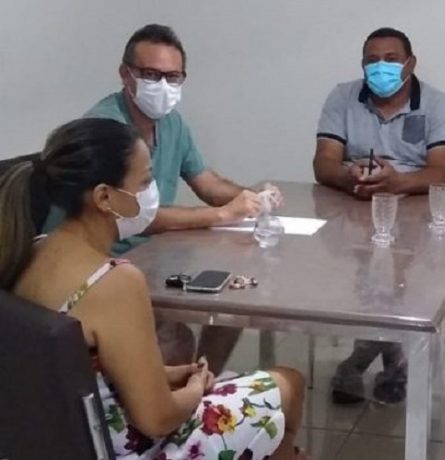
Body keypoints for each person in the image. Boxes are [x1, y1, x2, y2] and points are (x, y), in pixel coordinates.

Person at [0, 118, 307, 459]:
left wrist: (168, 374)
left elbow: (87, 369)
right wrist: (195, 388)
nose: (152, 193)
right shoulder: (113, 281)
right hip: (127, 447)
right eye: (145, 181)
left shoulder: (32, 251)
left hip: (65, 438)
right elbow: (157, 419)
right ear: (104, 197)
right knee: (288, 384)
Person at [41, 24, 282, 372]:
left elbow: (206, 181)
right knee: (174, 338)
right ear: (126, 74)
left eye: (173, 77)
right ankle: (182, 387)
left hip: (153, 252)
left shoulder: (172, 124)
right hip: (101, 258)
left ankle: (201, 384)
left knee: (233, 298)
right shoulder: (105, 131)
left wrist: (251, 197)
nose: (163, 86)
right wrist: (219, 215)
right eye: (151, 75)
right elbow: (131, 215)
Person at [312, 27, 445, 404]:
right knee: (364, 279)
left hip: (414, 207)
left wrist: (397, 182)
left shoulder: (437, 104)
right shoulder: (343, 97)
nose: (381, 67)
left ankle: (365, 360)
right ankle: (392, 362)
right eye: (372, 60)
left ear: (410, 64)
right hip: (355, 205)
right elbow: (323, 163)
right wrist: (350, 178)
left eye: (391, 59)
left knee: (400, 280)